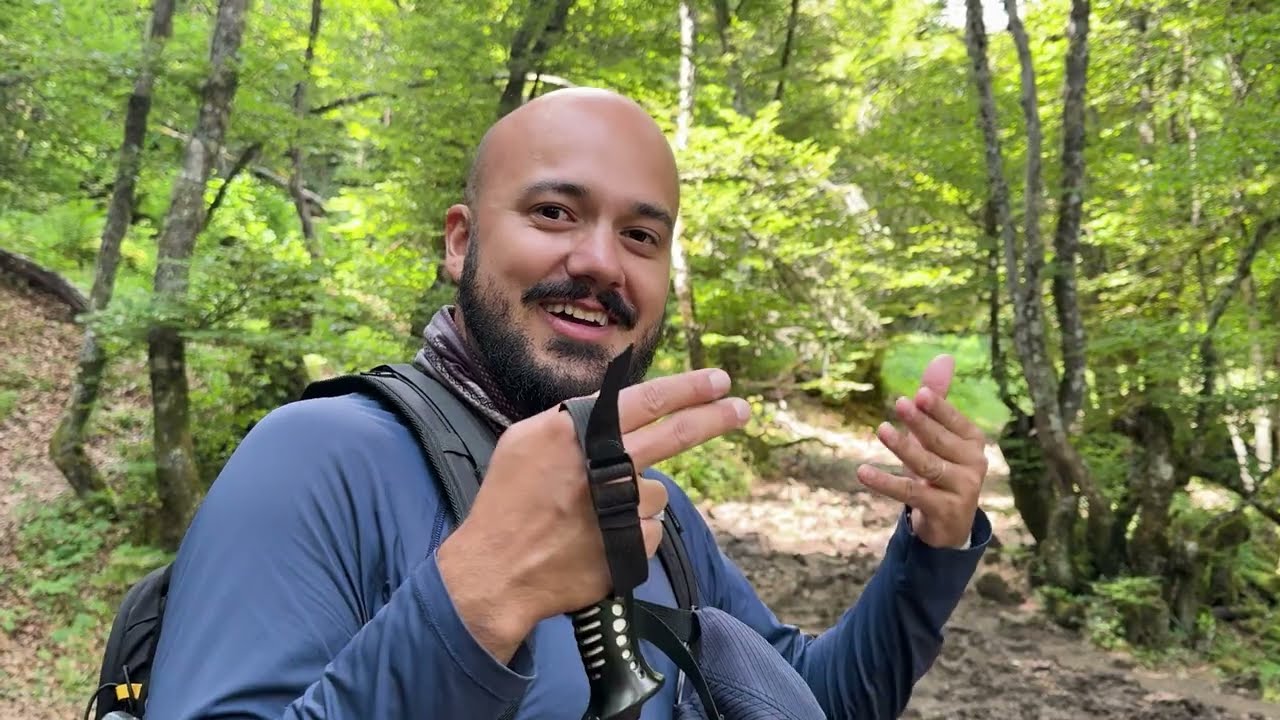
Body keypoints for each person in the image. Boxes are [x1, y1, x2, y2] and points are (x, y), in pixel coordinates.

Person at [144, 87, 992, 719]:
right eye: (555, 211)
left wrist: (932, 548)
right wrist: (472, 603)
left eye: (641, 236)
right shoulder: (318, 459)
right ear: (461, 240)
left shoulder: (648, 503)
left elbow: (802, 701)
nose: (600, 262)